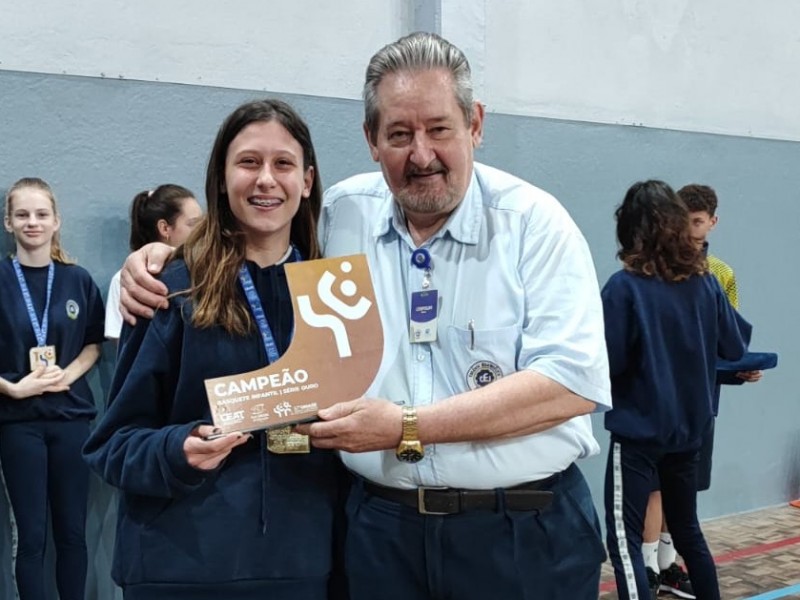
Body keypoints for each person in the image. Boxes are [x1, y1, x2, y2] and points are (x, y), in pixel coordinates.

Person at [119, 32, 612, 599]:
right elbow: (259, 227)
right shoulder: (341, 217)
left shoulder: (534, 224)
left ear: (475, 123)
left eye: (439, 129)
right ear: (372, 140)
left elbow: (570, 385)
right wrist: (154, 260)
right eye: (399, 134)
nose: (421, 154)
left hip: (520, 533)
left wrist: (407, 426)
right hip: (381, 536)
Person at [83, 99, 347, 600]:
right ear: (223, 179)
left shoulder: (336, 297)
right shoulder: (170, 291)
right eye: (248, 162)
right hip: (181, 568)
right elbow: (111, 444)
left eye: (283, 164)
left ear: (307, 181)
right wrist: (175, 450)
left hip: (304, 568)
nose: (266, 179)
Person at [602, 180, 748, 600]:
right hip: (690, 433)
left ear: (630, 229)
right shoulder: (707, 284)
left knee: (626, 544)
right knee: (687, 530)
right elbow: (735, 347)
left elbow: (607, 365)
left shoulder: (624, 287)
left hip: (638, 435)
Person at [640, 183, 762, 599]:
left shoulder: (719, 276)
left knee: (682, 495)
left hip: (699, 406)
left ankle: (667, 566)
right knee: (654, 490)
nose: (690, 230)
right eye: (682, 220)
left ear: (712, 221)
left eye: (697, 221)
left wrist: (736, 372)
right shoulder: (648, 275)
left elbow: (726, 347)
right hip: (655, 408)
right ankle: (648, 569)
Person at [0, 177, 105, 600]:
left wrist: (69, 374)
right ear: (8, 222)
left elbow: (94, 343)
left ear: (56, 221)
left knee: (72, 533)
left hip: (71, 419)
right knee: (32, 537)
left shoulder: (77, 280)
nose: (32, 222)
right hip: (18, 423)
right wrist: (12, 389)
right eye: (22, 214)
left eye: (41, 214)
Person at [105, 184, 202, 341]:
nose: (202, 231)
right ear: (165, 228)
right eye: (193, 224)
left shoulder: (204, 270)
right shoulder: (127, 279)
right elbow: (124, 344)